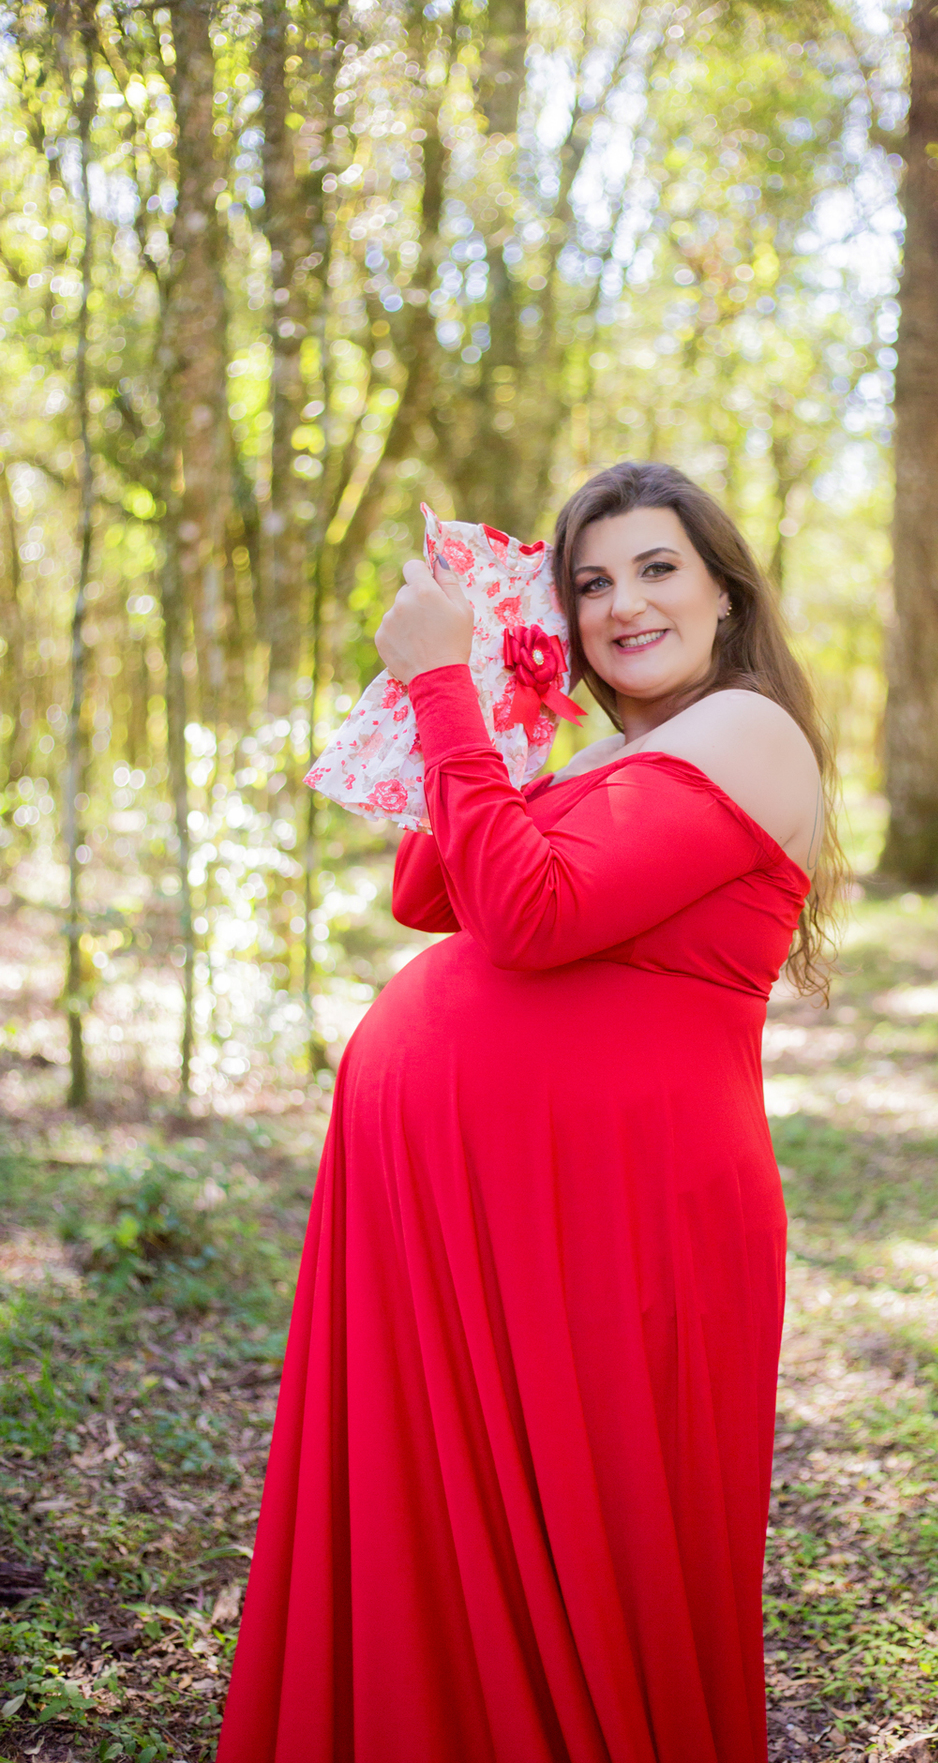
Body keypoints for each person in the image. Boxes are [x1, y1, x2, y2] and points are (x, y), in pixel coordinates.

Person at [217, 461, 843, 1763]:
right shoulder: (618, 755)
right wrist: (500, 696)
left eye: (658, 568)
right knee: (450, 1555)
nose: (624, 603)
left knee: (596, 1563)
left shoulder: (747, 729)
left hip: (613, 1221)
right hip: (484, 1230)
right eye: (592, 582)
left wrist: (442, 682)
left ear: (726, 591)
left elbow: (528, 914)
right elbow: (430, 883)